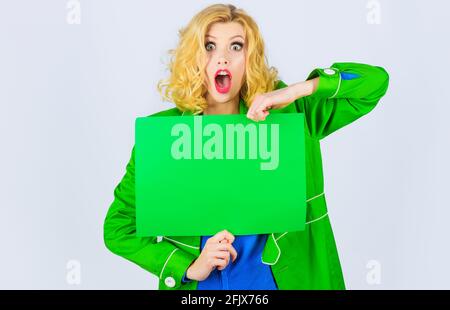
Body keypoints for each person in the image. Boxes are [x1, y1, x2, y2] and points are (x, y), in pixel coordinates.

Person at [103, 3, 389, 290]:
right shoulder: (164, 138)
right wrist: (188, 267)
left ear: (250, 58)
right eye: (209, 46)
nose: (222, 58)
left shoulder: (292, 116)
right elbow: (118, 228)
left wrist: (296, 90)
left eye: (236, 46)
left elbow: (375, 83)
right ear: (193, 57)